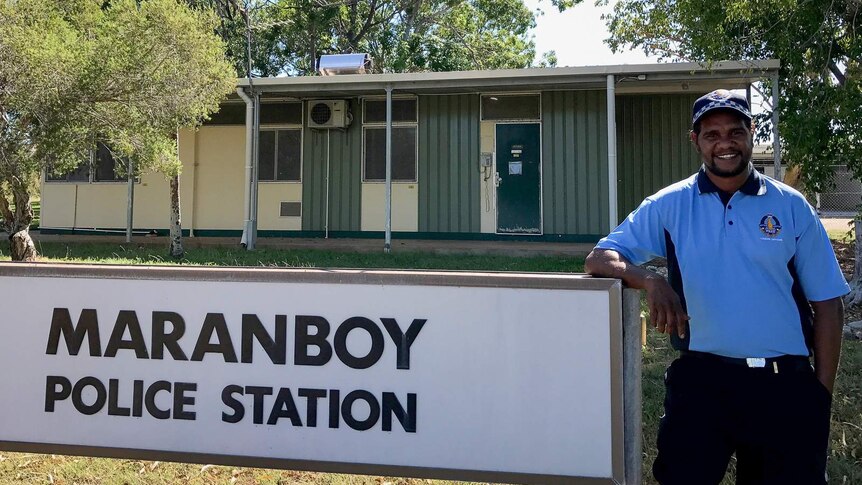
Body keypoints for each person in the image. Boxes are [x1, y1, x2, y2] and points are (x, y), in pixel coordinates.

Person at [585, 89, 849, 484]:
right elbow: (600, 257)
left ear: (751, 133)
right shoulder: (670, 204)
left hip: (783, 384)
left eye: (734, 132)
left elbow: (828, 304)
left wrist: (819, 395)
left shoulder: (791, 207)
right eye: (712, 134)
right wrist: (649, 278)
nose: (725, 143)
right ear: (696, 141)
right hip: (702, 382)